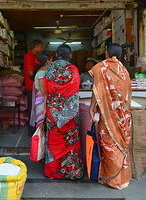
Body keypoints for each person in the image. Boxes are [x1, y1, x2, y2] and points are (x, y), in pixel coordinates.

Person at [89, 44, 132, 190]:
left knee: (108, 144)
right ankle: (123, 178)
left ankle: (112, 180)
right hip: (123, 116)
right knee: (121, 144)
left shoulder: (101, 67)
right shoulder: (124, 70)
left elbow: (97, 89)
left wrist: (91, 107)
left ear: (106, 52)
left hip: (108, 115)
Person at [44, 44, 84, 180]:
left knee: (53, 141)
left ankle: (52, 172)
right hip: (69, 114)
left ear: (56, 54)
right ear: (70, 55)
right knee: (70, 142)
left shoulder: (49, 69)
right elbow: (75, 88)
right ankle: (71, 172)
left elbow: (47, 89)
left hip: (53, 112)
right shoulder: (73, 69)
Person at [24, 40, 43, 135]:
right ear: (36, 46)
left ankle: (36, 129)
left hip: (36, 87)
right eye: (40, 47)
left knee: (36, 109)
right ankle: (31, 132)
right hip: (31, 87)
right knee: (32, 110)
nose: (41, 49)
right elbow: (31, 73)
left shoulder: (35, 57)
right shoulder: (29, 56)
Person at [29, 52, 50, 128]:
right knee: (42, 125)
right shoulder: (41, 73)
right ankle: (40, 139)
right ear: (47, 61)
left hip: (42, 100)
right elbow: (43, 90)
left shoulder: (42, 72)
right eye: (51, 60)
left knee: (43, 124)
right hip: (42, 101)